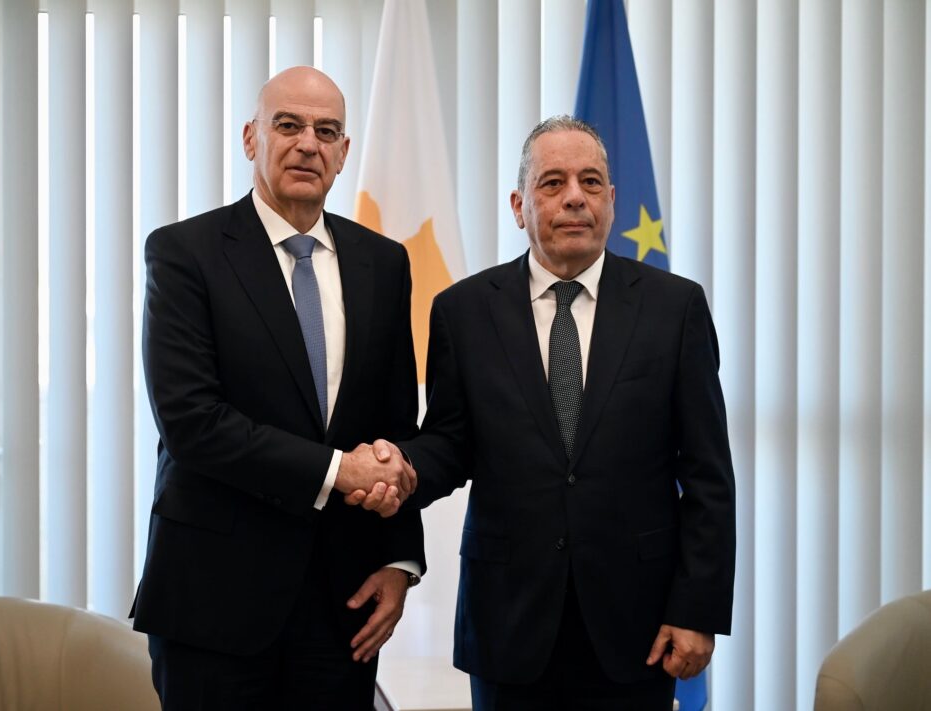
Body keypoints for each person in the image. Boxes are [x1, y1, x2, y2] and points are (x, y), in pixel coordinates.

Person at [351, 116, 736, 709]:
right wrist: (397, 467)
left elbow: (708, 475)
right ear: (519, 206)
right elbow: (451, 443)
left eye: (590, 182)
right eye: (553, 182)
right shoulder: (463, 312)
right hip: (509, 621)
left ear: (612, 201)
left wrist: (697, 609)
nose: (574, 197)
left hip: (638, 625)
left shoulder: (674, 308)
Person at [131, 66, 424, 711]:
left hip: (343, 607)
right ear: (251, 138)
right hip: (214, 605)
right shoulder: (185, 253)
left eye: (327, 131)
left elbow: (396, 426)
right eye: (287, 125)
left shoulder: (384, 262)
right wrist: (338, 471)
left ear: (343, 152)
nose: (307, 144)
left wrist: (399, 560)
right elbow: (192, 423)